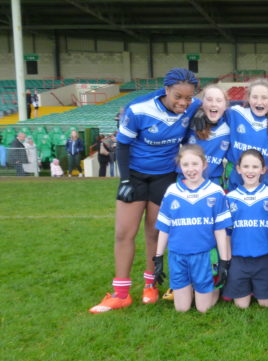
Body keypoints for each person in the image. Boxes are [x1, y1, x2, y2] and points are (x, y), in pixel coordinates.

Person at [89, 68, 201, 314]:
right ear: (166, 90)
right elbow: (124, 146)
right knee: (124, 233)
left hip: (165, 177)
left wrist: (201, 112)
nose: (183, 103)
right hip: (136, 176)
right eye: (178, 97)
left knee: (154, 234)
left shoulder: (193, 106)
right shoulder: (139, 109)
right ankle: (121, 294)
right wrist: (126, 180)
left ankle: (150, 286)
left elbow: (216, 101)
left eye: (188, 98)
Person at [153, 144, 232, 313]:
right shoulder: (172, 191)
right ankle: (190, 288)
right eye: (185, 165)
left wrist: (225, 261)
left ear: (204, 165)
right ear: (179, 166)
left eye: (195, 164)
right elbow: (164, 228)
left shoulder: (215, 191)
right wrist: (158, 257)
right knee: (182, 308)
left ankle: (211, 288)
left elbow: (220, 230)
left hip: (203, 255)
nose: (190, 169)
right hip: (177, 255)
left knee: (203, 309)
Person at [223, 149, 268, 309]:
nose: (250, 171)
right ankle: (246, 286)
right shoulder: (231, 198)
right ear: (238, 169)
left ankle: (259, 286)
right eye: (246, 166)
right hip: (238, 258)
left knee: (265, 303)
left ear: (263, 170)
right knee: (241, 305)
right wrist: (226, 257)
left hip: (265, 257)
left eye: (255, 167)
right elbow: (227, 231)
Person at [225, 79, 268, 191]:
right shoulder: (236, 113)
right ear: (248, 98)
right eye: (255, 97)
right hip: (235, 174)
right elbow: (214, 112)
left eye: (264, 98)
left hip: (262, 177)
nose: (259, 102)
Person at [185, 83, 230, 186]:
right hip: (186, 179)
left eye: (219, 100)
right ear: (202, 103)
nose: (213, 104)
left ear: (225, 105)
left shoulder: (229, 127)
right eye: (209, 100)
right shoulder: (191, 122)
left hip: (213, 181)